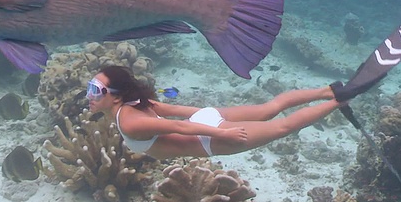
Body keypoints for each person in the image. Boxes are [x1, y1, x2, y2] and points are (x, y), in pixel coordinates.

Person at [87, 65, 364, 159]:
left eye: (96, 90)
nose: (90, 96)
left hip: (209, 138)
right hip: (206, 121)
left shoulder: (130, 121)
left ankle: (339, 100)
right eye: (91, 88)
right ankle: (328, 90)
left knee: (284, 127)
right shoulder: (136, 104)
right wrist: (213, 115)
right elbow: (179, 112)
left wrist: (223, 130)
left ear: (116, 97)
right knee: (271, 108)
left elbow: (180, 128)